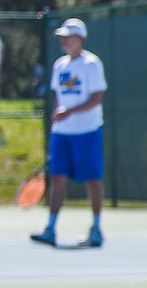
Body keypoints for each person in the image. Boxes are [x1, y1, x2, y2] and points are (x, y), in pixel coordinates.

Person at [31, 18, 108, 248]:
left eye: (69, 37)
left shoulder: (91, 64)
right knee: (57, 178)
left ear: (80, 39)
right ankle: (51, 229)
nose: (64, 41)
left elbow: (97, 98)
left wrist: (70, 111)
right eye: (62, 37)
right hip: (61, 133)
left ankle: (95, 229)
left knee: (92, 179)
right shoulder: (59, 65)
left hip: (87, 130)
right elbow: (59, 99)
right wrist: (58, 116)